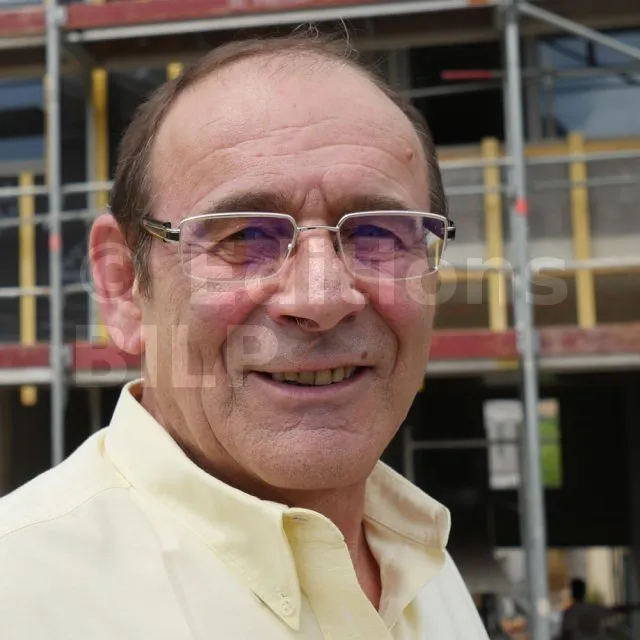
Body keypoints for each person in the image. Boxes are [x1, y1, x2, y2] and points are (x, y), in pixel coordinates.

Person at [0, 32, 489, 639]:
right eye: (244, 237)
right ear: (123, 285)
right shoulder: (20, 597)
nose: (322, 298)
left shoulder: (422, 563)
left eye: (378, 234)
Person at [559, 578, 637, 640]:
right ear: (584, 592)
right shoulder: (594, 609)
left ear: (572, 593)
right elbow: (617, 610)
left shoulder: (570, 613)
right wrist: (635, 606)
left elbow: (566, 635)